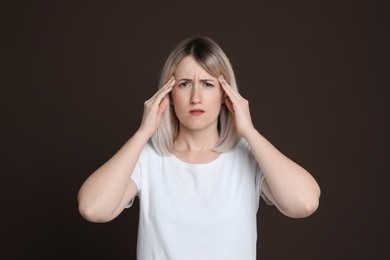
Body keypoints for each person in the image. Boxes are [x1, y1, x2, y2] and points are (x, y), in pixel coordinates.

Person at [77, 37, 321, 260]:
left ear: (225, 94)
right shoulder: (148, 158)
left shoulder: (248, 155)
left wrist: (249, 132)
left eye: (206, 84)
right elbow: (92, 208)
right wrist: (143, 133)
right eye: (184, 84)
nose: (195, 97)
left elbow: (305, 203)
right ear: (169, 94)